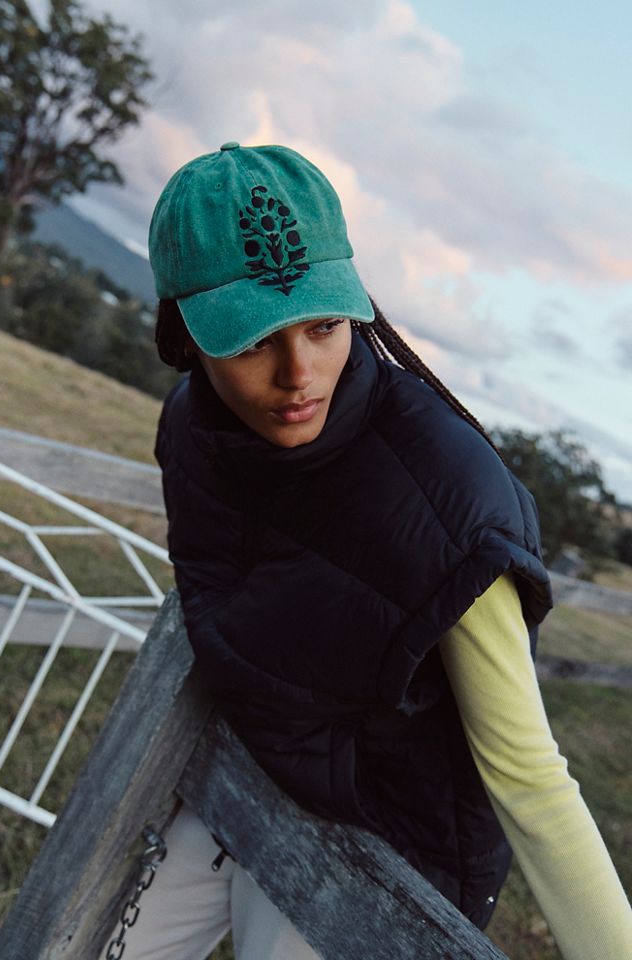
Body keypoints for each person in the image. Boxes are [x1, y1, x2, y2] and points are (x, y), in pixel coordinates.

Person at [119, 142, 632, 959]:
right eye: (252, 339)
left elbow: (530, 779)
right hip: (246, 770)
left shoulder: (452, 508)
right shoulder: (192, 425)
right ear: (184, 335)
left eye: (324, 326)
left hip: (387, 850)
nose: (299, 373)